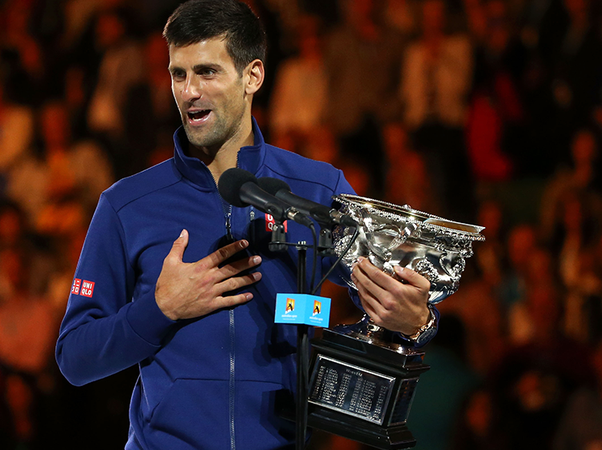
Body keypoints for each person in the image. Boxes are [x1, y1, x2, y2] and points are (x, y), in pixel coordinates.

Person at [55, 1, 435, 449]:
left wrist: (417, 321)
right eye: (178, 74)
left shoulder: (317, 190)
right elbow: (76, 357)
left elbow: (401, 303)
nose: (189, 91)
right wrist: (161, 309)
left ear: (252, 76)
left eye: (207, 72)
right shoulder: (127, 205)